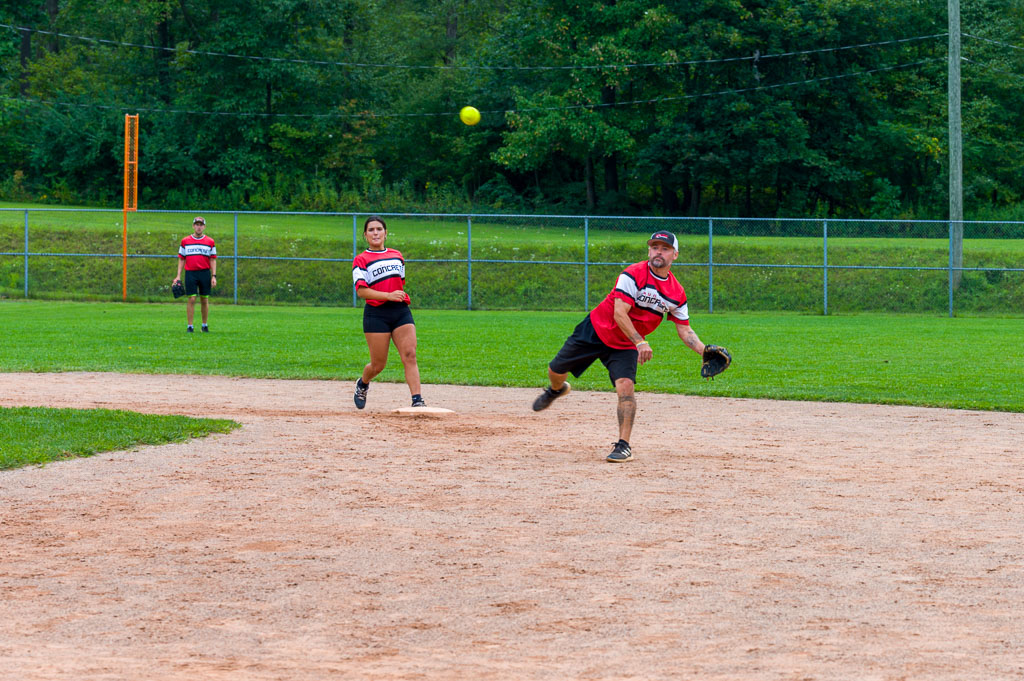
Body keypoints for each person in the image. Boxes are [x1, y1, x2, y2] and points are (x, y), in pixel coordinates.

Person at [532, 230, 711, 463]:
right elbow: (619, 313)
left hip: (626, 343)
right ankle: (557, 389)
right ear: (649, 250)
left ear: (674, 255)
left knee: (626, 388)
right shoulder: (633, 274)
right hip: (596, 330)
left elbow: (685, 329)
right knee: (555, 370)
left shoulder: (676, 293)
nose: (659, 252)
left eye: (665, 248)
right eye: (655, 247)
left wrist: (704, 352)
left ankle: (623, 445)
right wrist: (641, 341)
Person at [351, 216, 425, 409]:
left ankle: (417, 399)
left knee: (410, 354)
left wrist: (394, 296)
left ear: (385, 233)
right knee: (378, 365)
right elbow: (361, 291)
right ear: (365, 235)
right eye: (371, 230)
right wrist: (388, 295)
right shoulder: (361, 259)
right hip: (376, 314)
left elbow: (400, 282)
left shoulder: (397, 255)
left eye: (379, 229)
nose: (375, 233)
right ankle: (363, 383)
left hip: (400, 311)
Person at [172, 216, 217, 333]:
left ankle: (204, 325)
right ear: (193, 226)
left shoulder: (210, 241)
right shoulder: (185, 241)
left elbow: (212, 259)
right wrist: (178, 276)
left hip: (204, 273)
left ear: (204, 227)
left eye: (201, 225)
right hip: (191, 273)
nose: (199, 227)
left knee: (204, 299)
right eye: (197, 224)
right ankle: (190, 326)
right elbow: (181, 259)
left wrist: (214, 276)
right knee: (191, 299)